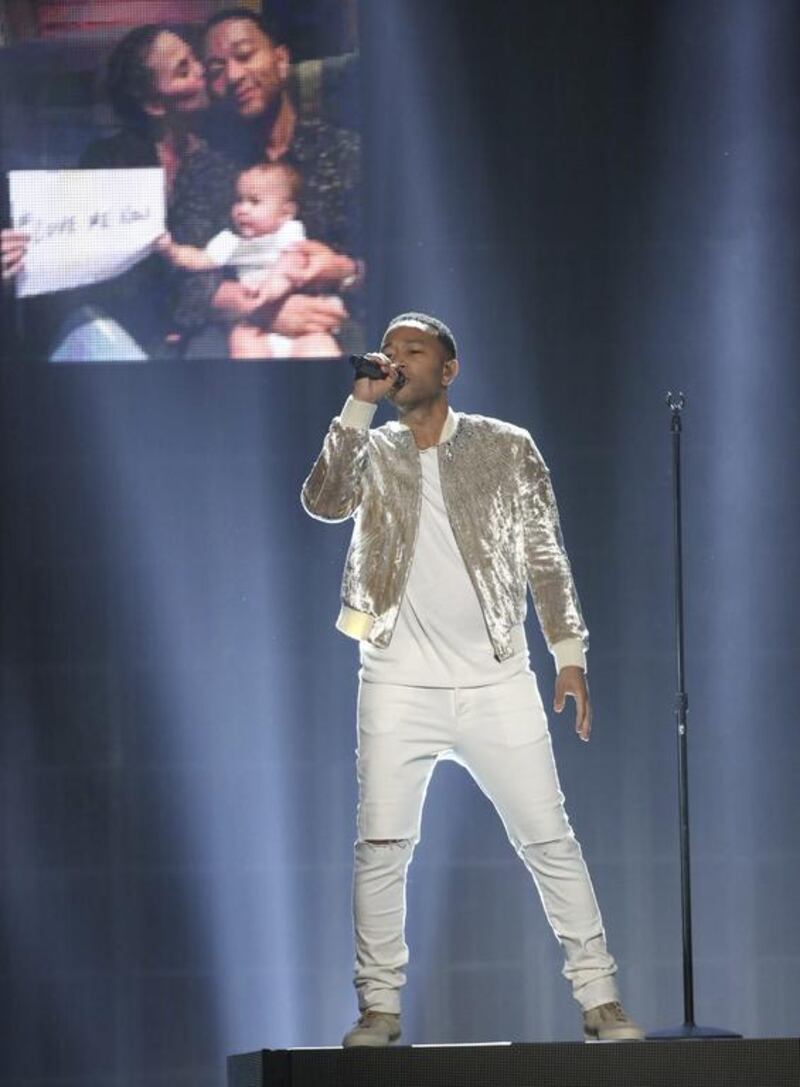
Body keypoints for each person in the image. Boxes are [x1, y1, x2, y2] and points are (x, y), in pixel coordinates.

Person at [301, 312, 645, 1047]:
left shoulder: (506, 445)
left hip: (497, 680)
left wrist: (569, 653)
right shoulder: (372, 445)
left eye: (412, 350)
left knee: (549, 837)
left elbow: (544, 551)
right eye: (389, 350)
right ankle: (380, 1007)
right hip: (394, 677)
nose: (396, 359)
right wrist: (358, 403)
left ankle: (601, 996)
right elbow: (325, 500)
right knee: (383, 845)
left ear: (449, 369)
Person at [168, 6, 363, 357]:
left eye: (245, 55)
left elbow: (393, 256)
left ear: (281, 60)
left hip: (334, 318)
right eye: (217, 69)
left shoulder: (342, 151)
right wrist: (261, 308)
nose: (234, 75)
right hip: (236, 329)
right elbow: (184, 282)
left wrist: (346, 271)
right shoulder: (202, 169)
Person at [159, 161, 340, 358]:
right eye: (239, 200)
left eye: (254, 201)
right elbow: (201, 259)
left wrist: (271, 289)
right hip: (252, 320)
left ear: (286, 213)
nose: (242, 209)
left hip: (298, 311)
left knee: (318, 347)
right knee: (242, 341)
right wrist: (172, 250)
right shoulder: (230, 240)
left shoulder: (289, 232)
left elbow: (293, 262)